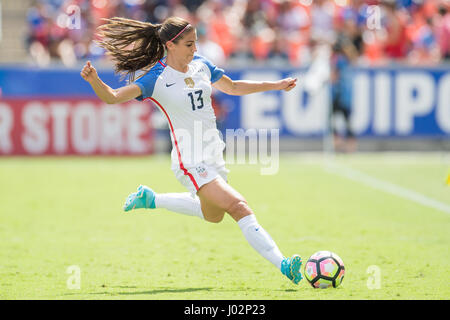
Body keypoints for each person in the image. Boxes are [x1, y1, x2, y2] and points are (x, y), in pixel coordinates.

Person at [80, 16, 302, 285]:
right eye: (189, 44)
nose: (195, 49)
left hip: (213, 156)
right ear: (170, 45)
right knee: (238, 206)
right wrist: (94, 80)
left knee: (214, 216)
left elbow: (231, 87)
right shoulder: (156, 79)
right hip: (190, 160)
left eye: (195, 43)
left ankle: (152, 199)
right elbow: (113, 97)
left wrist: (276, 85)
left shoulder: (201, 66)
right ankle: (284, 264)